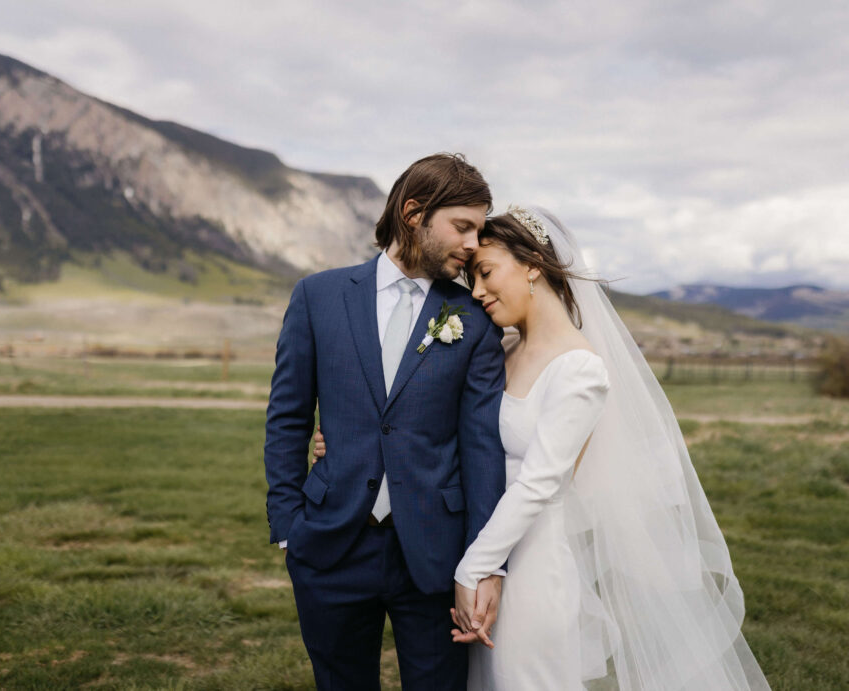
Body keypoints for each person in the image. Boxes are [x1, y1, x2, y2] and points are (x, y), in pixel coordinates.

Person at [315, 205, 770, 690]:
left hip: (529, 567)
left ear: (532, 263)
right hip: (475, 552)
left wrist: (476, 567)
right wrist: (344, 443)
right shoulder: (502, 350)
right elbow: (436, 429)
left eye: (487, 273)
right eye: (472, 279)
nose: (479, 292)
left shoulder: (580, 370)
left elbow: (538, 482)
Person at [264, 153, 508, 690]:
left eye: (479, 230)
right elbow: (287, 416)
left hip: (436, 555)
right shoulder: (317, 296)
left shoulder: (473, 319)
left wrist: (483, 561)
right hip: (330, 544)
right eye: (462, 227)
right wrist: (288, 526)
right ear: (414, 212)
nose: (473, 244)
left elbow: (482, 447)